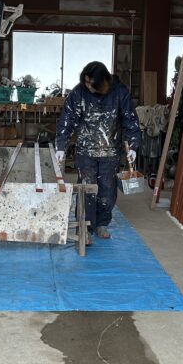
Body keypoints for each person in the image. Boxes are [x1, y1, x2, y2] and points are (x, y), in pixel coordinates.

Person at [55, 61, 142, 242]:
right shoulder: (78, 93)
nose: (88, 86)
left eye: (92, 83)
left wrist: (133, 146)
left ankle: (102, 224)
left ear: (104, 81)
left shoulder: (119, 92)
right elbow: (67, 119)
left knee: (107, 189)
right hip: (85, 151)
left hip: (110, 152)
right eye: (86, 82)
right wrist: (61, 146)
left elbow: (130, 120)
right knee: (87, 188)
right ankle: (85, 226)